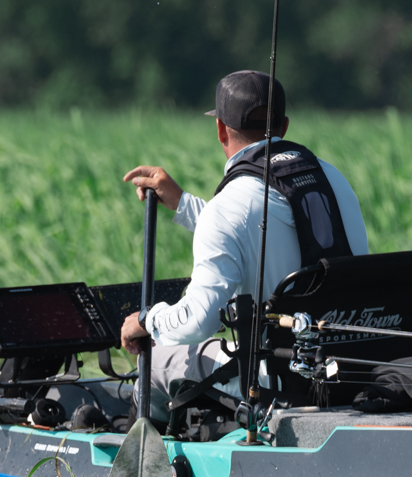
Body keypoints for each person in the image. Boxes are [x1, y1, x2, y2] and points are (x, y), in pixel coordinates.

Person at [120, 70, 369, 420]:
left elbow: (198, 322)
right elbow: (263, 231)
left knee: (157, 358)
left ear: (221, 130)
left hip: (275, 382)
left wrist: (148, 320)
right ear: (283, 126)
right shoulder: (332, 178)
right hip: (348, 366)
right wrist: (184, 204)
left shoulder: (228, 208)